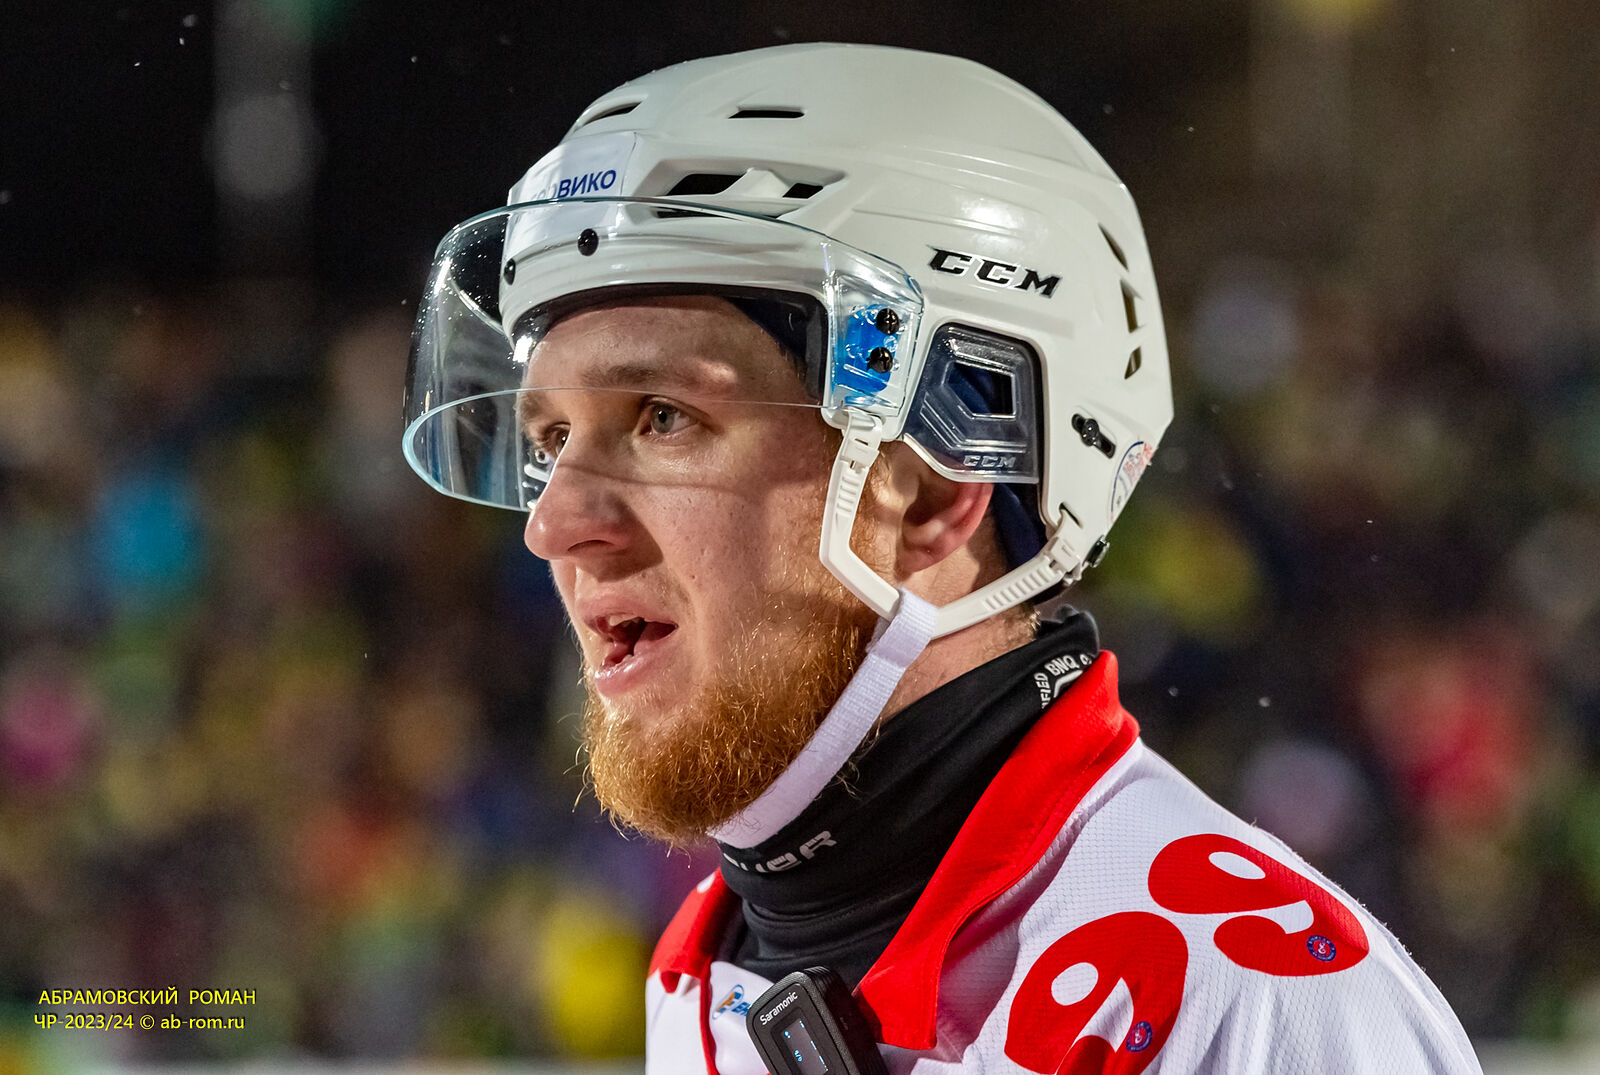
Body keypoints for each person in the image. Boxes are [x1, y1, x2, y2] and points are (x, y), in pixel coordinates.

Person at [402, 43, 1481, 1075]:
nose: (554, 521)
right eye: (552, 438)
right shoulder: (704, 971)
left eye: (663, 416)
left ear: (932, 486)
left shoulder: (1244, 1006)